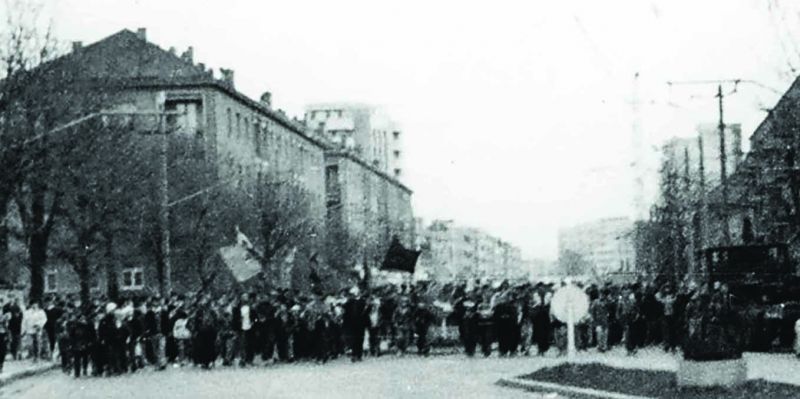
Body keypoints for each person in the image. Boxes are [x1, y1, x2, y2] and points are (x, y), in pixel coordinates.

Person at [0, 298, 9, 373]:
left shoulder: (5, 312)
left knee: (3, 350)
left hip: (3, 332)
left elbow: (8, 323)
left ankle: (1, 365)